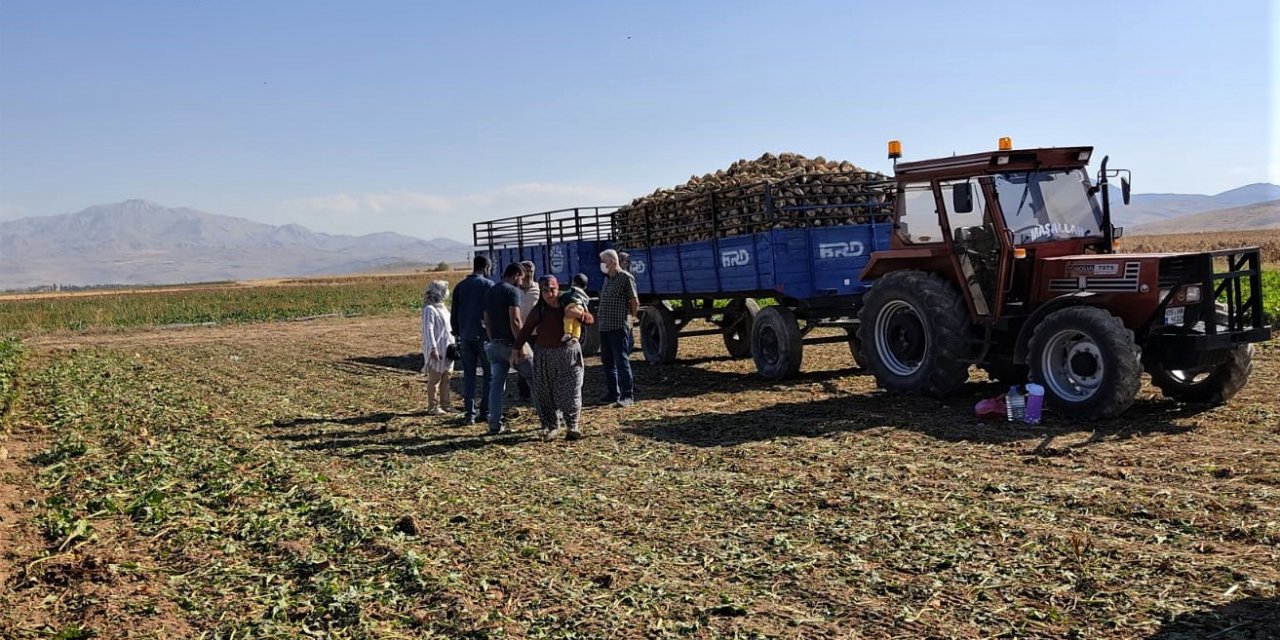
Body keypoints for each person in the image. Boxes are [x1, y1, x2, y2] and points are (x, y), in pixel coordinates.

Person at [514, 275, 592, 440]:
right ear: (541, 292)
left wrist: (580, 315)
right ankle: (552, 426)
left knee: (572, 391)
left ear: (558, 288)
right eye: (545, 291)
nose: (550, 294)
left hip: (569, 354)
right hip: (545, 355)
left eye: (553, 289)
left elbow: (590, 320)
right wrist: (517, 348)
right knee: (545, 393)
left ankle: (573, 426)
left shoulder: (570, 303)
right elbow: (526, 329)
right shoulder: (539, 310)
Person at [481, 263, 527, 435]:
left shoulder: (490, 291)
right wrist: (520, 344)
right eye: (521, 278)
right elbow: (515, 320)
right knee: (534, 376)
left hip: (494, 346)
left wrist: (493, 338)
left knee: (497, 385)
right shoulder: (512, 291)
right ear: (515, 275)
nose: (521, 282)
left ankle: (494, 424)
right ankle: (548, 420)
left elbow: (486, 319)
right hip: (510, 344)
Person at [450, 255, 494, 425]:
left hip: (466, 336)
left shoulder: (460, 287)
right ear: (486, 267)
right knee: (489, 375)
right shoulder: (488, 285)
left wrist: (457, 334)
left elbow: (454, 315)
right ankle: (485, 411)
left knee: (469, 376)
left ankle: (469, 414)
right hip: (484, 337)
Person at [597, 249, 639, 407]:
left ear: (613, 262)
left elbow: (634, 301)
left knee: (621, 361)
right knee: (607, 361)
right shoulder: (607, 279)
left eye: (603, 262)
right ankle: (612, 393)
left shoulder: (625, 278)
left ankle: (627, 395)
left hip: (618, 326)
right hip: (605, 327)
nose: (602, 265)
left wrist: (630, 318)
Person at [420, 280, 455, 415]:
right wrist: (432, 349)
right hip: (438, 350)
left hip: (448, 349)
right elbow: (428, 331)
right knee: (435, 379)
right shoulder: (429, 309)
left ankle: (446, 404)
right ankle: (433, 406)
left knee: (447, 378)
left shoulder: (443, 308)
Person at [515, 261, 539, 403]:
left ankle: (539, 392)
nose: (529, 274)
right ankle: (523, 394)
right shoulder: (515, 290)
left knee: (537, 363)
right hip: (520, 333)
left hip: (536, 333)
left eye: (531, 270)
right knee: (522, 364)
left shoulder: (539, 289)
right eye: (526, 270)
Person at [559, 273, 590, 343]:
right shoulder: (584, 294)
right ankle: (576, 337)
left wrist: (561, 297)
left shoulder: (574, 289)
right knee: (577, 323)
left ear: (573, 282)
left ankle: (568, 333)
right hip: (580, 308)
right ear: (585, 287)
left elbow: (567, 295)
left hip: (573, 305)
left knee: (568, 318)